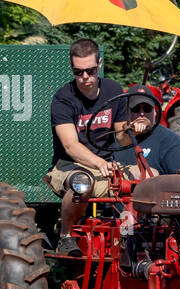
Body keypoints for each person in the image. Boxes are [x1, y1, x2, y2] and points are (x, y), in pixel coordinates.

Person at [44, 38, 135, 255]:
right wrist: (99, 162)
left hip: (107, 166)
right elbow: (70, 145)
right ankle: (65, 236)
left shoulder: (114, 90)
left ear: (99, 64)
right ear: (72, 69)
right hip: (70, 166)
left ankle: (133, 234)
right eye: (78, 72)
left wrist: (133, 128)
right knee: (82, 183)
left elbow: (122, 138)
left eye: (91, 71)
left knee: (150, 178)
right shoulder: (63, 98)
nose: (85, 77)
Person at [112, 87, 180, 176]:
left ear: (155, 112)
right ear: (126, 113)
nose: (142, 113)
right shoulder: (114, 138)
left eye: (147, 108)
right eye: (136, 109)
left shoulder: (170, 141)